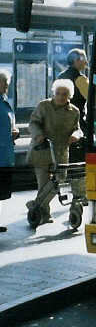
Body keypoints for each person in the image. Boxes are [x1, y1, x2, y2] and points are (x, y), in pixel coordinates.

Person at [27, 79, 82, 226]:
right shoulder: (44, 106)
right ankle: (44, 214)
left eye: (64, 94)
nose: (60, 96)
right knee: (44, 184)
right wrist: (38, 135)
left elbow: (78, 129)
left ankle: (35, 205)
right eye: (58, 93)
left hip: (61, 152)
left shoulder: (74, 111)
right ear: (54, 93)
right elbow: (33, 123)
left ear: (69, 96)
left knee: (59, 182)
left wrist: (76, 135)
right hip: (42, 150)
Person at [0, 69, 19, 233]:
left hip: (4, 153)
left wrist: (15, 131)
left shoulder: (4, 101)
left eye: (7, 83)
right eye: (4, 82)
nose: (7, 86)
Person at [57, 48, 89, 119]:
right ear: (76, 61)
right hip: (75, 119)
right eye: (84, 59)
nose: (86, 62)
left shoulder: (60, 76)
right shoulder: (81, 79)